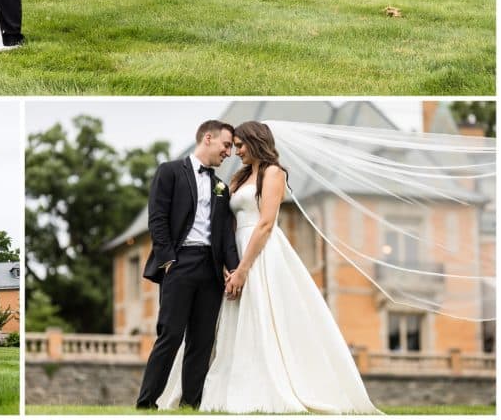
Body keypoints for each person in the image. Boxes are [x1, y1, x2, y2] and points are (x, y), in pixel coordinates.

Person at [157, 121, 378, 414]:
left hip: (261, 253)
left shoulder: (274, 173)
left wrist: (244, 269)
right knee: (228, 321)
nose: (236, 151)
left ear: (255, 140)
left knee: (263, 313)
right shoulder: (237, 178)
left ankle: (269, 384)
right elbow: (225, 222)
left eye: (239, 145)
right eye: (233, 146)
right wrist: (227, 264)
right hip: (235, 252)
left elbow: (265, 224)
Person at [136, 121, 240, 410]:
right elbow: (157, 219)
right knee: (170, 335)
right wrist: (168, 260)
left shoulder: (221, 186)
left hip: (210, 268)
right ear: (208, 138)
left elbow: (225, 234)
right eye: (226, 145)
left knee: (202, 340)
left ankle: (191, 405)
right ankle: (146, 403)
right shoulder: (169, 172)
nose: (229, 152)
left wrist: (234, 269)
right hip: (179, 263)